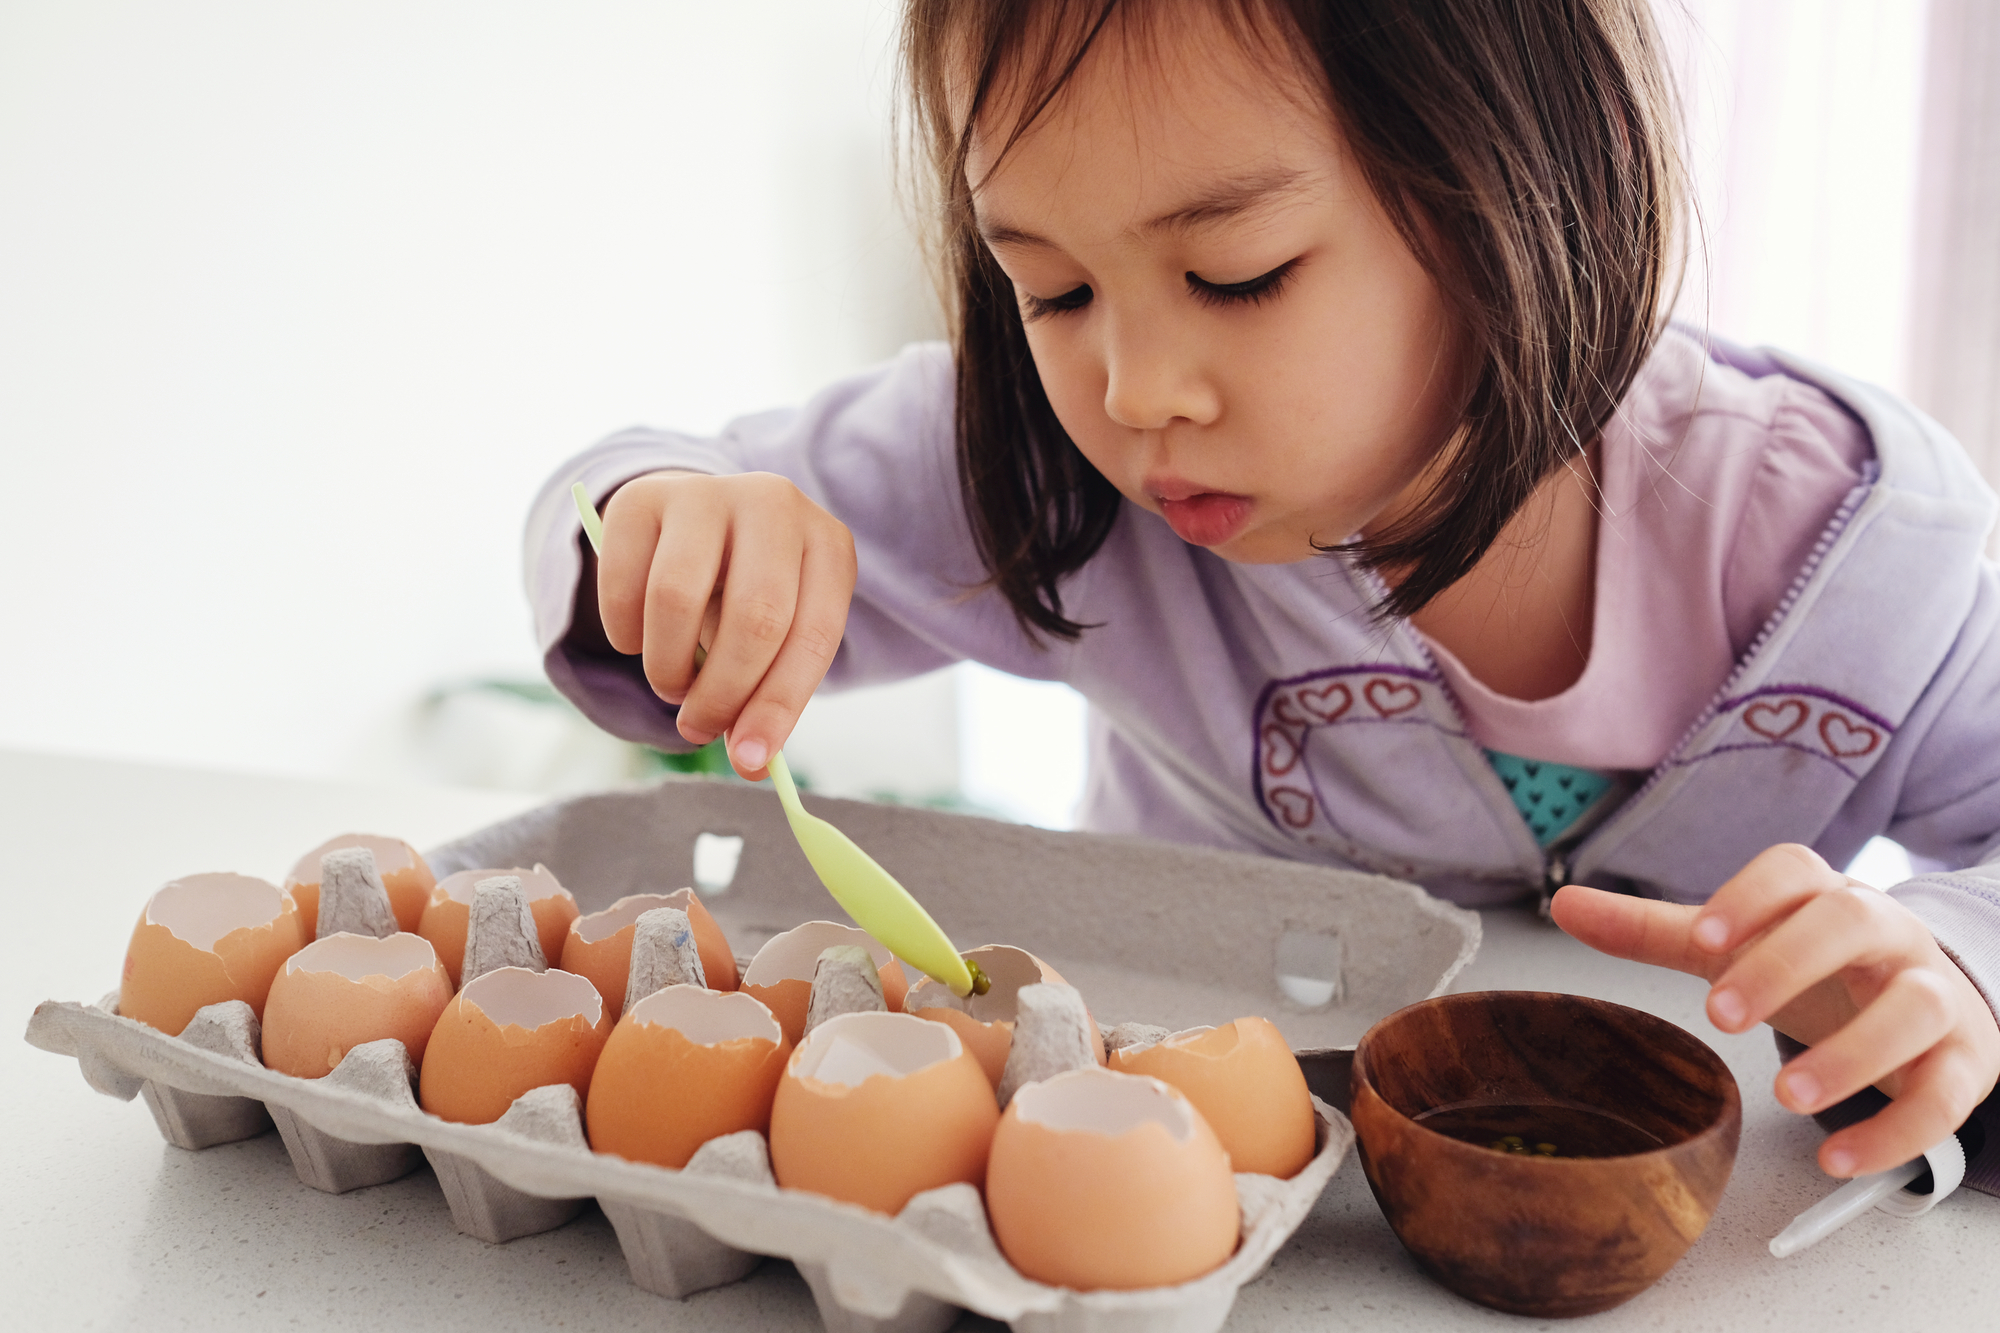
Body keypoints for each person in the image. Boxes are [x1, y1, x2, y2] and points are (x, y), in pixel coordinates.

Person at [525, 0, 1999, 1182]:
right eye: (1053, 290)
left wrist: (1957, 965)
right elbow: (630, 492)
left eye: (1236, 274)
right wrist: (671, 530)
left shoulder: (1857, 556)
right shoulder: (1047, 468)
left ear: (1529, 179)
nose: (1135, 390)